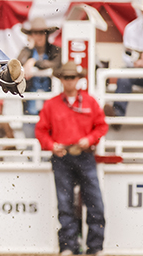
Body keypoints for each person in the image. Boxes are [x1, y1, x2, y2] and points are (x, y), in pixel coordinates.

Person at [35, 61, 107, 256]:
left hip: (85, 155)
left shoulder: (90, 102)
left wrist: (89, 139)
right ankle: (68, 246)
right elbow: (41, 131)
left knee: (95, 202)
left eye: (72, 77)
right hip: (62, 156)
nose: (69, 81)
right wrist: (52, 145)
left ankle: (95, 247)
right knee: (65, 203)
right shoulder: (52, 105)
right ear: (61, 80)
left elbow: (101, 126)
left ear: (78, 80)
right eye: (66, 78)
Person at [18, 18, 62, 135]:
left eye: (42, 32)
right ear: (30, 35)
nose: (40, 36)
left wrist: (33, 61)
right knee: (30, 144)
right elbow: (18, 64)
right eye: (36, 33)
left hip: (50, 106)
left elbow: (55, 64)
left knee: (49, 142)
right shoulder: (26, 51)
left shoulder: (54, 50)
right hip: (30, 106)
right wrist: (30, 49)